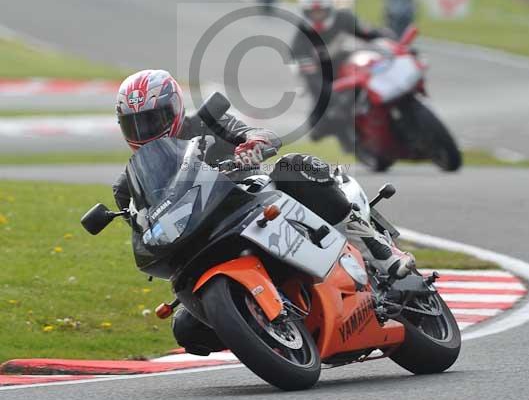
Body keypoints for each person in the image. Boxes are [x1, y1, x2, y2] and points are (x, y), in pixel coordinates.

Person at [112, 68, 414, 355]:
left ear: (175, 109)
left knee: (293, 167)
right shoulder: (127, 183)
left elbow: (260, 133)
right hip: (203, 232)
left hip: (250, 199)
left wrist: (254, 143)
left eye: (153, 120)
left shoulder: (208, 123)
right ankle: (264, 327)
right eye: (135, 125)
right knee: (187, 330)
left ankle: (379, 251)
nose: (146, 131)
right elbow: (140, 218)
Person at [292, 0, 389, 150]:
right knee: (317, 130)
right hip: (323, 80)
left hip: (350, 68)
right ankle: (346, 137)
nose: (318, 15)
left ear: (330, 7)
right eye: (313, 12)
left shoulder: (344, 18)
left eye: (321, 10)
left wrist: (391, 40)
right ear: (305, 12)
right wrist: (331, 97)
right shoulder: (302, 36)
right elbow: (311, 78)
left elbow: (370, 33)